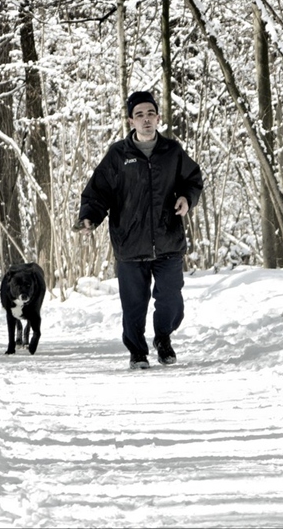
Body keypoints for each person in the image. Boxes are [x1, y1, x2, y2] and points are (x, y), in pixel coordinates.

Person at [74, 90, 204, 369]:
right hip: (130, 243)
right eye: (139, 115)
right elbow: (98, 193)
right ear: (131, 121)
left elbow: (193, 180)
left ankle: (163, 338)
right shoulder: (118, 156)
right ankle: (137, 352)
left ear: (158, 118)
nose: (146, 120)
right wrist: (89, 218)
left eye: (150, 114)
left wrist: (186, 199)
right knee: (134, 305)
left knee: (171, 301)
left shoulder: (172, 152)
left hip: (168, 240)